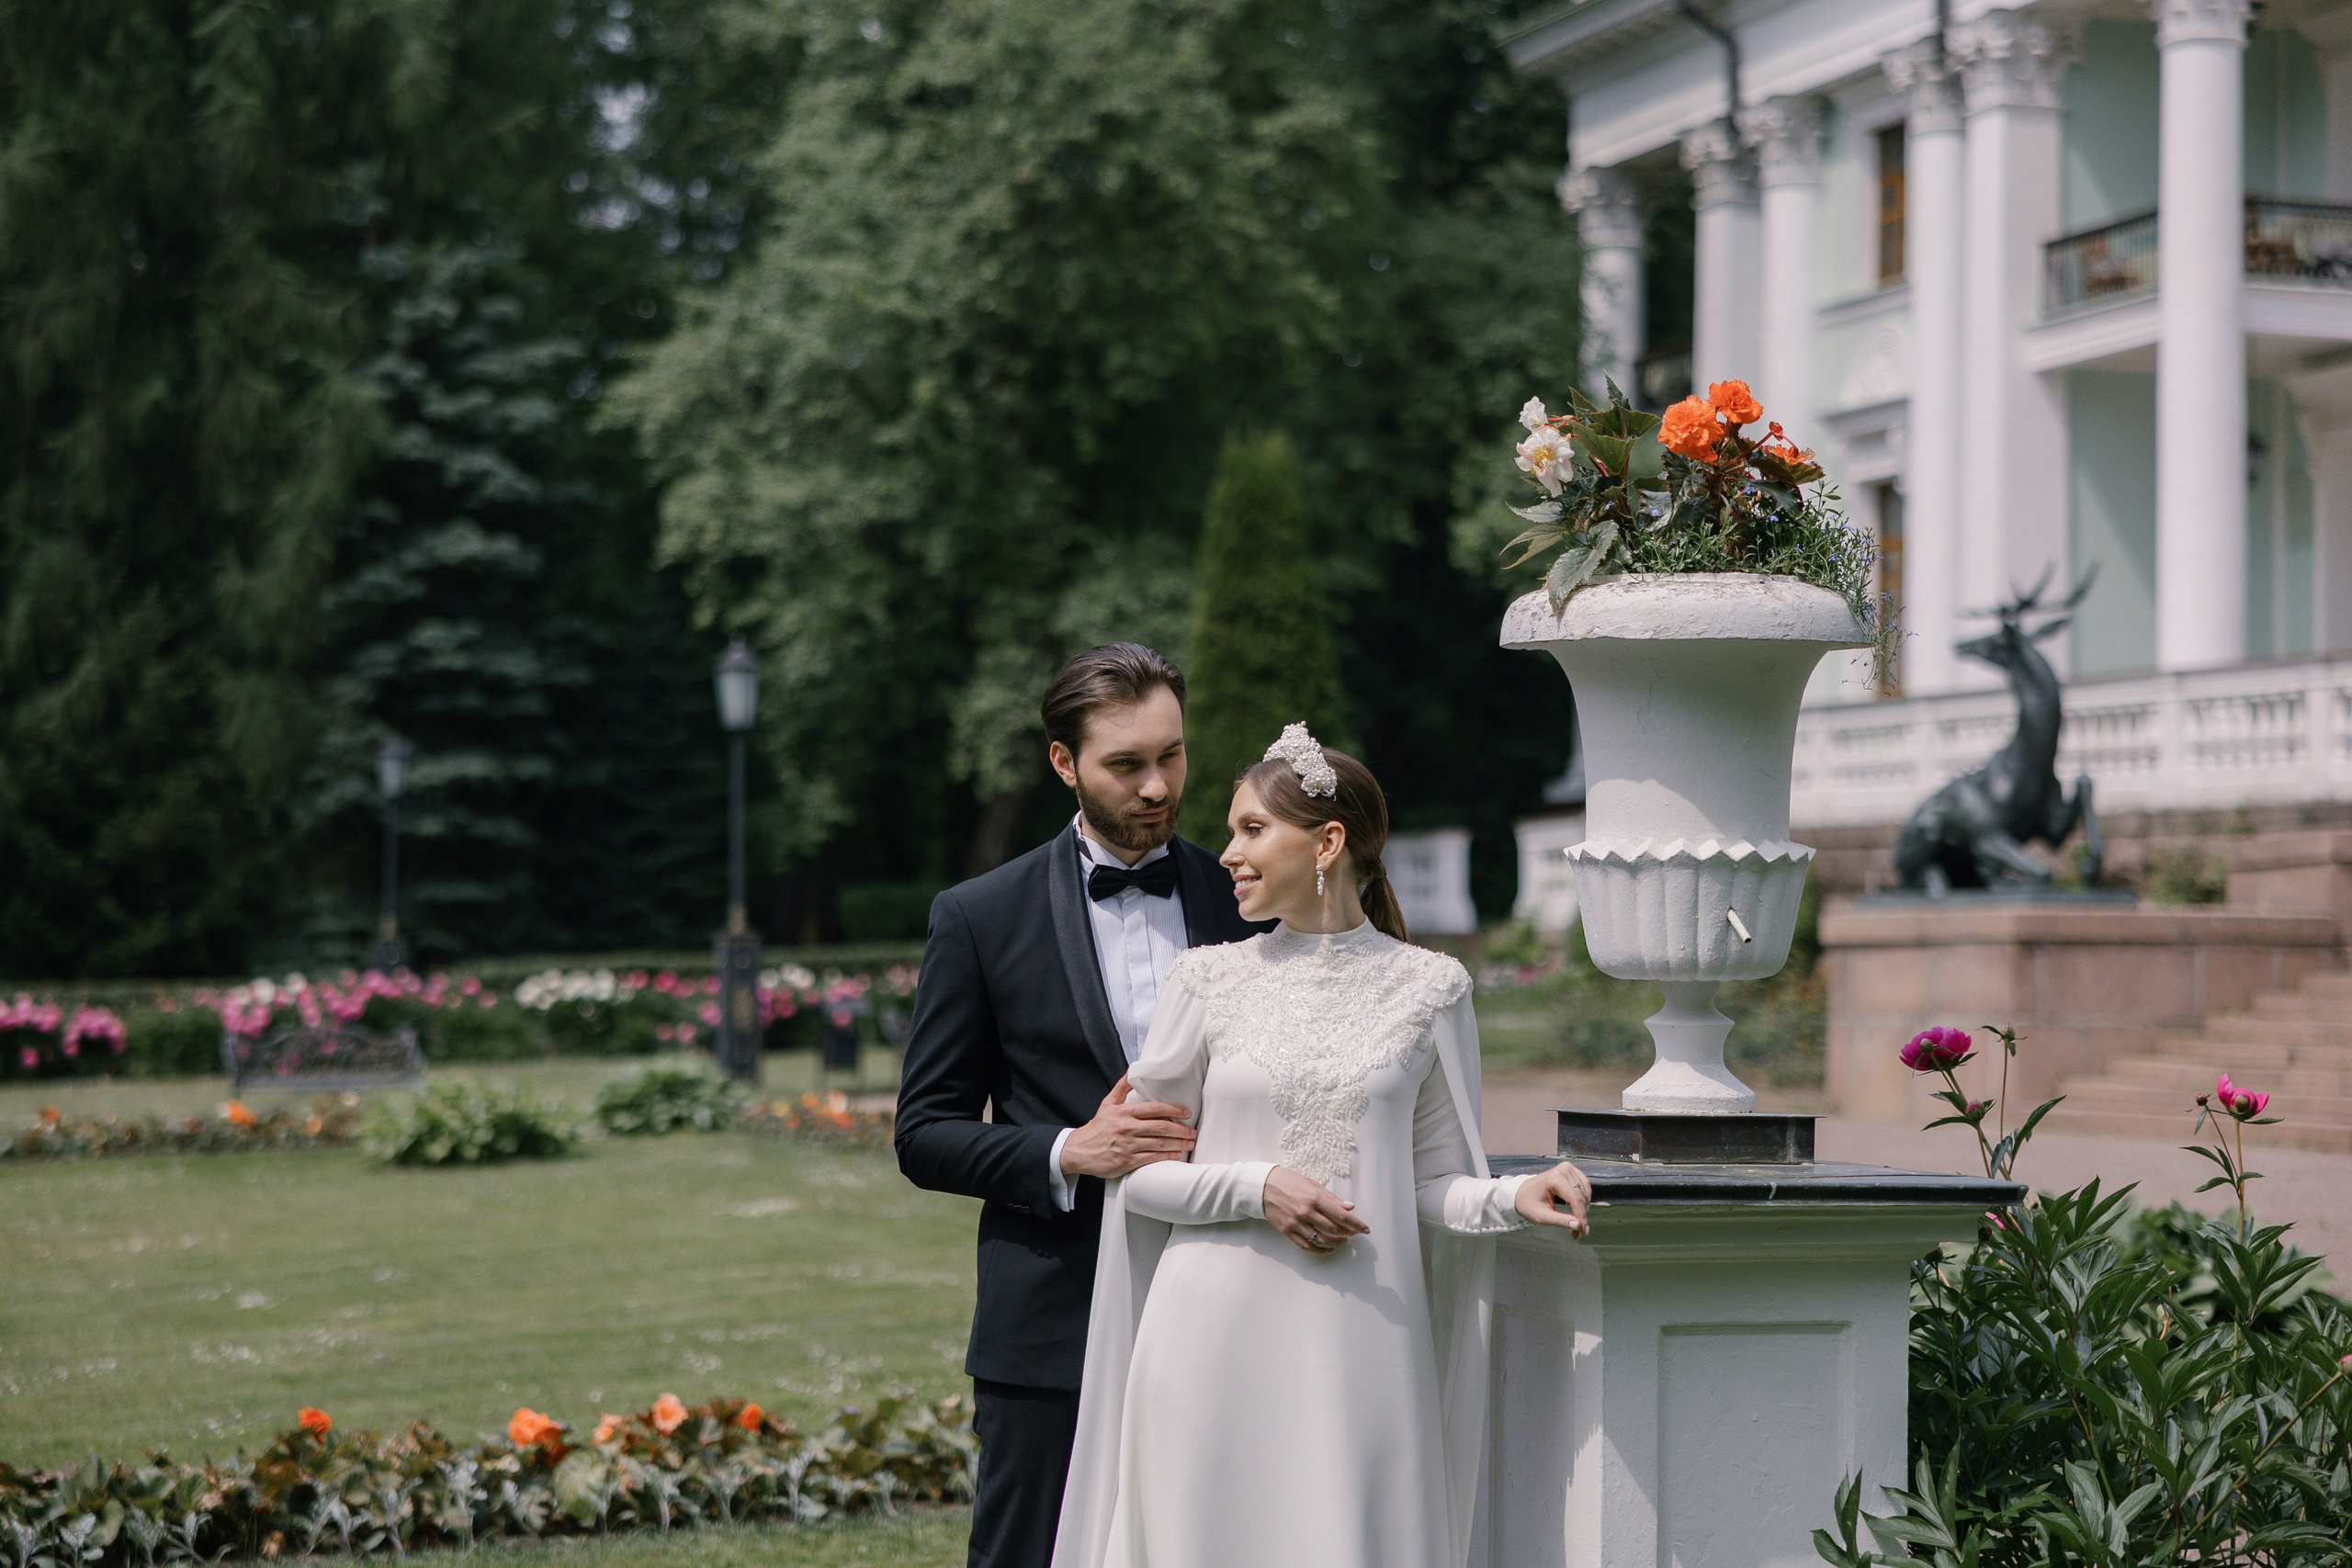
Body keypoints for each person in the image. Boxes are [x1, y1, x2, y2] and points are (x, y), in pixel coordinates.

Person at [1051, 723, 1594, 1568]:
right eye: (1231, 830)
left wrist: (1508, 1195)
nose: (1226, 851)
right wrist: (1256, 1184)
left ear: (1327, 842)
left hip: (1362, 1342)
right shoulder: (1205, 980)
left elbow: (1429, 1181)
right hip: (1209, 1340)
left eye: (1251, 829)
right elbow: (1139, 1179)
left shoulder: (1433, 988)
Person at [895, 643, 1268, 1568]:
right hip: (1050, 1319)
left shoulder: (1253, 901)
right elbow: (922, 1133)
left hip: (1232, 1297)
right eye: (1125, 764)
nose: (1156, 785)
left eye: (1171, 756)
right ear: (1063, 763)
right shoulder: (978, 915)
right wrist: (1070, 1151)